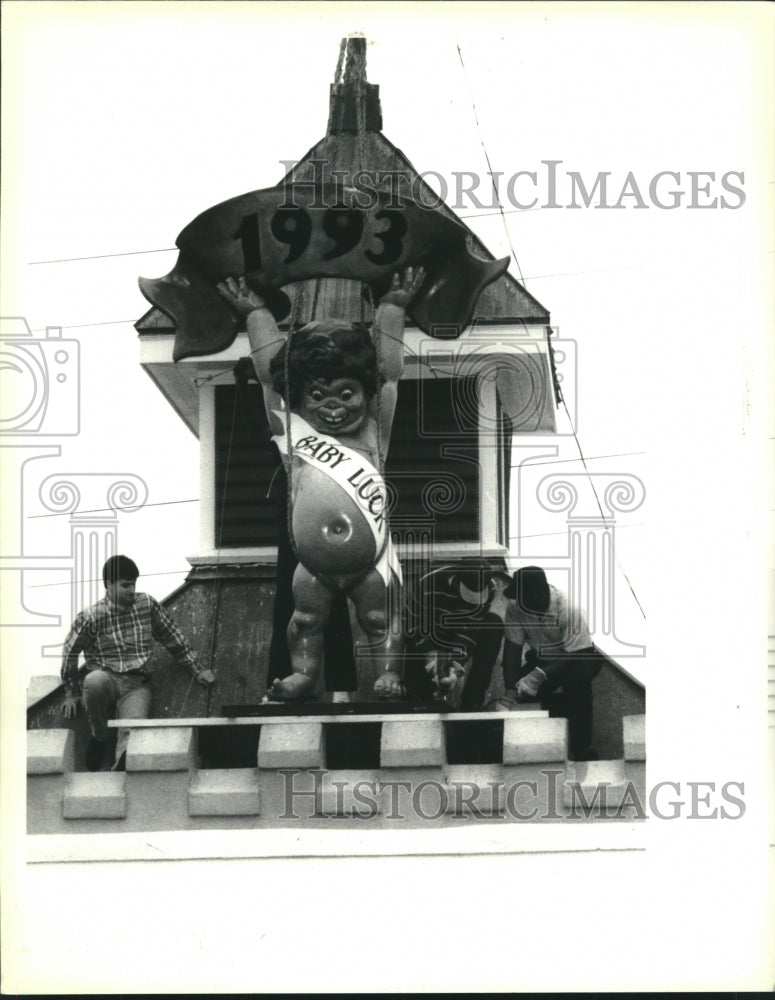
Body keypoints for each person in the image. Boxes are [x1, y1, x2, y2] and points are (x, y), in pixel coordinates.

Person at [217, 269, 424, 702]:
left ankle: (388, 674)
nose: (333, 407)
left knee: (381, 620)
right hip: (312, 565)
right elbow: (270, 375)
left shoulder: (373, 433)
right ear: (301, 398)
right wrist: (256, 313)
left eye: (346, 395)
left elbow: (388, 373)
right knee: (304, 622)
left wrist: (392, 308)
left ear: (364, 395)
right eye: (318, 396)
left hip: (371, 560)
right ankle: (304, 675)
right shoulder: (292, 435)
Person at [61, 555, 215, 771]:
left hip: (136, 683)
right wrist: (71, 692)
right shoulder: (92, 616)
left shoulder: (146, 604)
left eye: (133, 584)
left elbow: (172, 637)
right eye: (125, 585)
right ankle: (99, 736)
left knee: (132, 731)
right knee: (92, 682)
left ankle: (120, 766)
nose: (131, 589)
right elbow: (70, 650)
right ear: (109, 585)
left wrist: (197, 670)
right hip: (106, 676)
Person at [499, 565, 602, 761]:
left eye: (525, 598)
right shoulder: (515, 607)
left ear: (542, 592)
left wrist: (541, 675)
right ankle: (556, 717)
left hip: (577, 657)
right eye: (518, 598)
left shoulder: (568, 608)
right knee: (523, 694)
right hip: (543, 659)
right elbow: (512, 649)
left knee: (577, 683)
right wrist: (510, 689)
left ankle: (582, 749)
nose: (520, 603)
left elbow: (580, 652)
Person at [403, 561, 506, 710]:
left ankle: (472, 701)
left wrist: (455, 667)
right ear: (455, 580)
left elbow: (470, 629)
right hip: (428, 632)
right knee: (418, 701)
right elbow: (411, 623)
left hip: (457, 634)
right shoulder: (428, 582)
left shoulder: (489, 586)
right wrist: (430, 656)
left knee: (493, 624)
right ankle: (419, 699)